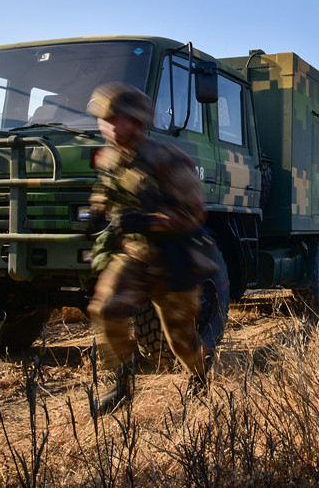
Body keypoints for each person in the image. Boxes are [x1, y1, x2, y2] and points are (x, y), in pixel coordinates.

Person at [84, 82, 216, 416]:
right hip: (133, 255)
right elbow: (108, 190)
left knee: (181, 339)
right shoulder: (110, 157)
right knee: (106, 309)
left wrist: (147, 222)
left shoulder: (167, 159)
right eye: (104, 119)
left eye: (117, 119)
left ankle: (200, 379)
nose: (110, 126)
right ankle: (123, 386)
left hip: (173, 257)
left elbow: (193, 214)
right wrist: (96, 212)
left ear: (138, 120)